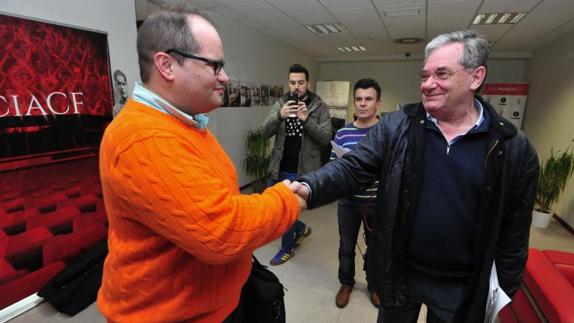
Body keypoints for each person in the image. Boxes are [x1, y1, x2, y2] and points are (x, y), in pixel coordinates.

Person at [294, 30, 539, 322]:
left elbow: (514, 232)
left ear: (476, 77)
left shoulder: (513, 148)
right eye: (424, 75)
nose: (428, 84)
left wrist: (503, 290)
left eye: (442, 74)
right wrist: (309, 186)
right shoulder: (398, 126)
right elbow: (353, 166)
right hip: (400, 275)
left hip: (461, 287)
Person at [97, 6, 305, 322]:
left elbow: (216, 201)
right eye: (214, 65)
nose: (224, 76)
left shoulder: (185, 125)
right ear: (166, 65)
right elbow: (221, 232)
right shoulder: (144, 137)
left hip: (214, 303)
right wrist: (286, 200)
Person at [260, 63, 332, 266]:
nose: (296, 87)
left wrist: (307, 119)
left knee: (287, 209)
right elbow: (263, 132)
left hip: (302, 170)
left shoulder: (319, 106)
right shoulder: (281, 103)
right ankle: (300, 229)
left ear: (307, 83)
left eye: (301, 82)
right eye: (293, 82)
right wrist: (279, 116)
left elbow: (326, 138)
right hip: (279, 166)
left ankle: (287, 248)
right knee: (273, 209)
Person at [331, 78, 381, 309]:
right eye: (359, 99)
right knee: (346, 246)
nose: (363, 104)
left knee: (377, 247)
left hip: (377, 203)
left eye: (368, 99)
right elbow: (334, 168)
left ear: (377, 103)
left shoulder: (385, 132)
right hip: (349, 203)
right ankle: (346, 283)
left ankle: (374, 285)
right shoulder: (342, 134)